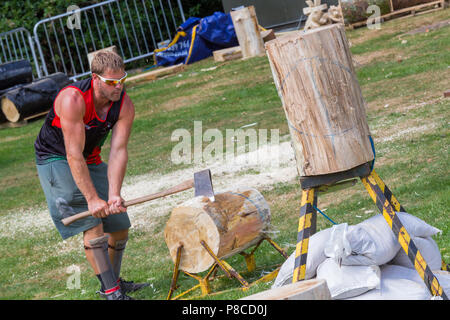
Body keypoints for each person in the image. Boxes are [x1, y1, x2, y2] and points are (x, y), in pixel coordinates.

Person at [34, 51, 148, 300]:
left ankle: (113, 281)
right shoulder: (72, 99)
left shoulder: (124, 104)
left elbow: (118, 151)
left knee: (119, 226)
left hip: (90, 156)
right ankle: (111, 292)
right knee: (93, 222)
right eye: (111, 82)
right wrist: (92, 199)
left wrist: (114, 194)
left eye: (122, 79)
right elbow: (73, 155)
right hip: (56, 157)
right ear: (95, 79)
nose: (118, 86)